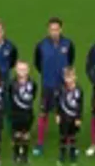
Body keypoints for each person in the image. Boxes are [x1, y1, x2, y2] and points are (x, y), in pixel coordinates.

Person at [31, 18, 74, 157]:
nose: (54, 32)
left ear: (61, 29)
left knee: (66, 114)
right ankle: (40, 143)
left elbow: (70, 61)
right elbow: (38, 63)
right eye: (52, 29)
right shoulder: (41, 45)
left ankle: (67, 141)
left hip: (63, 87)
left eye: (57, 29)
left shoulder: (68, 44)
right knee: (43, 114)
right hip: (48, 85)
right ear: (48, 30)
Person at [7, 62, 38, 166]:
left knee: (25, 135)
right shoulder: (12, 83)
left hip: (27, 113)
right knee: (16, 134)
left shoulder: (32, 83)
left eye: (24, 69)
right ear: (16, 70)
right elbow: (10, 96)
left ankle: (24, 156)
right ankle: (15, 155)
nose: (22, 72)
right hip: (16, 113)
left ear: (28, 70)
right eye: (20, 69)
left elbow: (33, 95)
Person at [54, 71, 85, 165]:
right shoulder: (60, 89)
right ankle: (62, 154)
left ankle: (72, 154)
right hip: (63, 117)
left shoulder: (79, 90)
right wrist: (57, 115)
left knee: (72, 136)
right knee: (63, 136)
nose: (69, 79)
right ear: (64, 78)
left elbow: (80, 105)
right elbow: (57, 103)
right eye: (67, 77)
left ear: (75, 77)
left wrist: (79, 118)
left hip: (73, 117)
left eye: (71, 77)